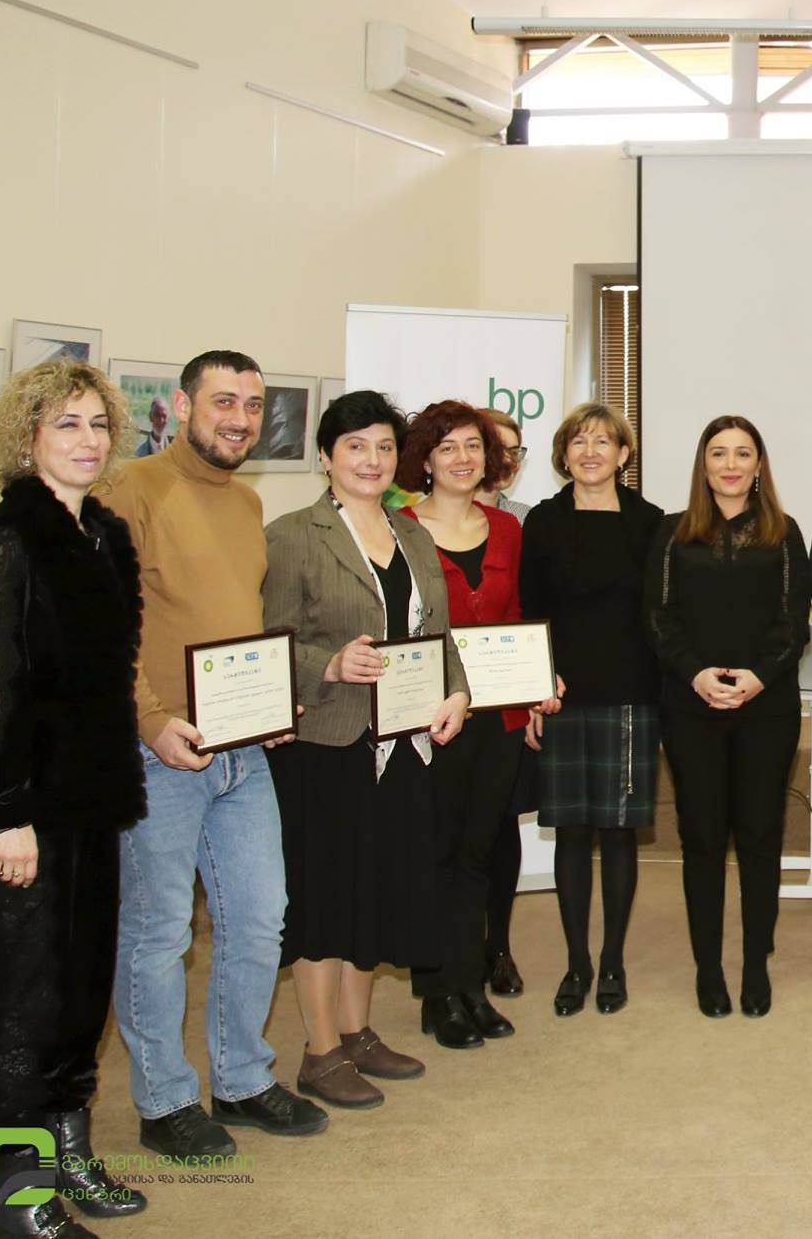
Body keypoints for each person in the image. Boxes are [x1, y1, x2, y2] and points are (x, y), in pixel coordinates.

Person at [0, 362, 148, 1236]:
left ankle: (68, 1153)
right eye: (66, 424)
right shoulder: (5, 541)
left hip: (91, 802)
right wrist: (5, 812)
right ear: (26, 439)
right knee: (22, 1003)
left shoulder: (101, 535)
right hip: (20, 810)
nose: (88, 440)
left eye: (98, 424)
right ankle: (14, 1197)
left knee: (80, 990)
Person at [104, 350, 329, 1155]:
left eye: (252, 405)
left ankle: (240, 1078)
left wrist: (270, 703)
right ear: (181, 404)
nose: (239, 419)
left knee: (260, 918)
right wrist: (149, 720)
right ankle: (164, 1099)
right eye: (223, 401)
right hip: (161, 751)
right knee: (160, 932)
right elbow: (106, 625)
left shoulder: (246, 501)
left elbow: (240, 624)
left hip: (242, 750)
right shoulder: (128, 490)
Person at [261, 390, 472, 1108]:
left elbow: (439, 636)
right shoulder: (294, 535)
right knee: (325, 899)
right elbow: (268, 644)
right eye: (355, 446)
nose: (372, 460)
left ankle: (356, 1033)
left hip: (403, 742)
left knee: (374, 890)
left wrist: (457, 693)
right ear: (326, 457)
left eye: (384, 446)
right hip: (327, 745)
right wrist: (327, 662)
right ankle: (319, 1052)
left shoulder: (413, 534)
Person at [647, 415, 811, 1018]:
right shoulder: (672, 532)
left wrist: (757, 678)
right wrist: (697, 675)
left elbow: (794, 623)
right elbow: (659, 617)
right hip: (690, 707)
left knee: (761, 836)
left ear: (759, 464)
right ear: (704, 463)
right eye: (719, 453)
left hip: (767, 706)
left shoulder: (783, 531)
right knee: (703, 837)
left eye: (743, 453)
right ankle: (709, 968)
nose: (731, 464)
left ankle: (755, 966)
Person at [520, 402, 664, 1017]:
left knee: (620, 831)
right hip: (561, 695)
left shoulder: (651, 522)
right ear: (564, 454)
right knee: (573, 833)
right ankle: (576, 963)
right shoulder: (543, 521)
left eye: (603, 441)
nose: (590, 452)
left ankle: (612, 961)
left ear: (623, 454)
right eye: (578, 441)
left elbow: (661, 614)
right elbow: (529, 610)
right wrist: (533, 687)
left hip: (632, 694)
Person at [398, 401, 534, 1046]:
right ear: (425, 460)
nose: (462, 458)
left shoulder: (506, 530)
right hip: (431, 719)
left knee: (477, 855)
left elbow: (516, 617)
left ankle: (469, 987)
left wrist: (539, 680)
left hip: (498, 717)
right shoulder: (399, 529)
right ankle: (437, 994)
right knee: (434, 854)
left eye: (473, 447)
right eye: (447, 447)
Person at [477, 404, 532, 998]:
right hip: (442, 701)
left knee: (501, 825)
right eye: (493, 446)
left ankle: (498, 946)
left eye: (514, 450)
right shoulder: (413, 520)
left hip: (505, 698)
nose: (502, 459)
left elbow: (531, 609)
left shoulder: (524, 523)